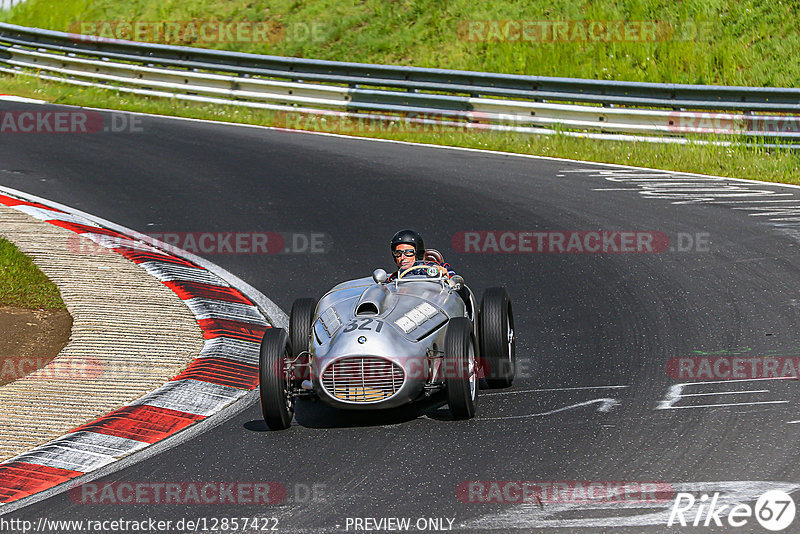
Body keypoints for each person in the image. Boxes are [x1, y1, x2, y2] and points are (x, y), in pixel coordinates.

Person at [387, 229, 454, 281]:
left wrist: (446, 275)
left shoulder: (438, 268)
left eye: (408, 252)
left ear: (418, 253)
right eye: (398, 253)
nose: (402, 257)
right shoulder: (393, 278)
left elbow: (459, 288)